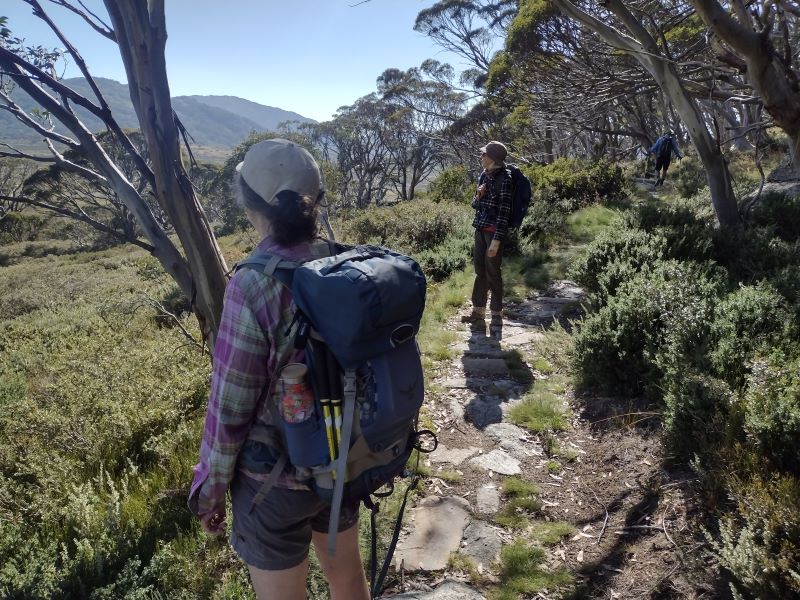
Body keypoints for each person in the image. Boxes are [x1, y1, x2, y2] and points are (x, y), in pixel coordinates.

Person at [188, 139, 370, 600]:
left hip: (273, 484)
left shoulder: (251, 284)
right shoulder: (340, 264)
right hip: (341, 459)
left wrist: (209, 491)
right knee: (347, 578)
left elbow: (230, 407)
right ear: (317, 201)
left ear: (249, 203)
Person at [461, 140, 512, 333]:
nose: (481, 157)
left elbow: (504, 213)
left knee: (493, 273)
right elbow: (475, 205)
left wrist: (497, 241)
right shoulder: (484, 175)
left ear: (492, 158)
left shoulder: (505, 179)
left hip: (493, 234)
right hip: (480, 230)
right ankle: (478, 311)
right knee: (480, 271)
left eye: (484, 154)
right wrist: (478, 195)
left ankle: (497, 314)